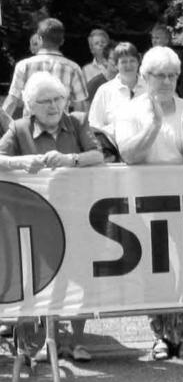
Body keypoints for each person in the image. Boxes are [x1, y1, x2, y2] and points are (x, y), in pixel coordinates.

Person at [0, 72, 105, 362]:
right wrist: (21, 162)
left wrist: (69, 159)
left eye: (59, 99)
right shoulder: (20, 129)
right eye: (45, 101)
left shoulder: (78, 121)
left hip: (78, 213)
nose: (54, 106)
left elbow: (99, 156)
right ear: (30, 106)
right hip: (34, 220)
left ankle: (77, 340)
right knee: (43, 280)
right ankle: (48, 341)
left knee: (80, 277)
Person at [115, 46, 183, 361]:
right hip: (144, 202)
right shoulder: (130, 110)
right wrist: (153, 125)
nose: (167, 81)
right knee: (156, 272)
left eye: (172, 75)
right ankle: (159, 337)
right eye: (160, 76)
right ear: (145, 76)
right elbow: (128, 154)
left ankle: (181, 336)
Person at [3, 18, 89, 117]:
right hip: (61, 129)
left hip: (30, 129)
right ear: (62, 41)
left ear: (39, 39)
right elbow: (81, 107)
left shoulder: (23, 66)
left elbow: (12, 101)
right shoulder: (73, 68)